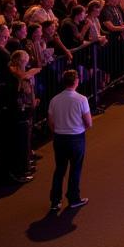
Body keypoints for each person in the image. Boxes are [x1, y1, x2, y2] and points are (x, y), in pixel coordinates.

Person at [47, 68, 92, 210]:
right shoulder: (81, 99)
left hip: (59, 138)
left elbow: (51, 121)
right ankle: (73, 198)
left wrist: (58, 131)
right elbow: (88, 122)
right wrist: (81, 128)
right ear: (76, 81)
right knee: (75, 169)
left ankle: (55, 201)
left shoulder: (55, 99)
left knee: (59, 169)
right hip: (76, 138)